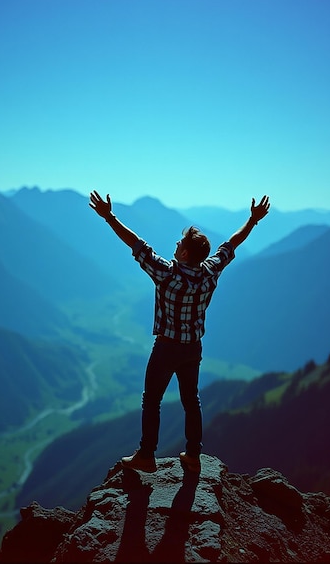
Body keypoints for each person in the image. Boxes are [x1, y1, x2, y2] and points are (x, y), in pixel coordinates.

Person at [89, 190, 271, 474]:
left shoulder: (167, 274)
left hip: (166, 347)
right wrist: (252, 221)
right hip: (193, 348)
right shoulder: (210, 272)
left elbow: (137, 245)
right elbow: (231, 245)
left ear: (184, 252)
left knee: (152, 400)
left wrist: (109, 217)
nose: (175, 244)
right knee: (191, 399)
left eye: (179, 242)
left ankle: (147, 455)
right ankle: (194, 454)